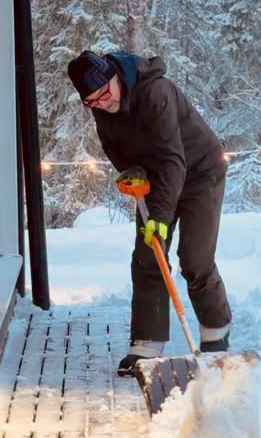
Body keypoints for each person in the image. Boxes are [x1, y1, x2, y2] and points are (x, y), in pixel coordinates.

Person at [67, 50, 232, 375]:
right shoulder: (103, 105)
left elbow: (174, 159)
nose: (101, 103)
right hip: (157, 178)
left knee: (195, 259)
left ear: (115, 77)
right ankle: (147, 346)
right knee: (148, 256)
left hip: (200, 173)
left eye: (104, 93)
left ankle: (216, 337)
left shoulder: (156, 93)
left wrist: (159, 216)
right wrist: (132, 172)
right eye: (92, 101)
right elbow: (113, 145)